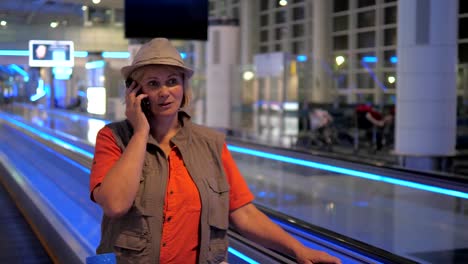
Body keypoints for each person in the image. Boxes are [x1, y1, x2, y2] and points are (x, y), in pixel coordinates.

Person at [89, 38, 341, 264]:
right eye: (153, 83)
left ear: (184, 87)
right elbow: (115, 204)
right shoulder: (113, 138)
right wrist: (140, 132)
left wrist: (298, 249)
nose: (165, 91)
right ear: (136, 92)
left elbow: (242, 212)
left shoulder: (210, 143)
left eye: (172, 81)